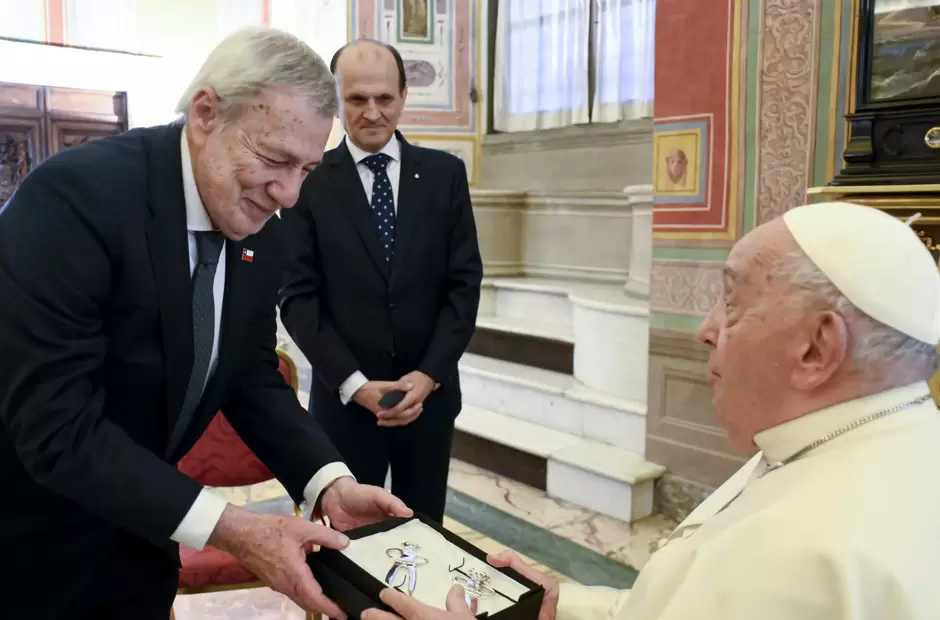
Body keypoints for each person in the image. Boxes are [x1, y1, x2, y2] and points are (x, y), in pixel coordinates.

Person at [0, 27, 412, 620]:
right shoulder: (74, 200)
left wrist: (327, 481)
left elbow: (247, 371)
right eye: (274, 160)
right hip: (31, 544)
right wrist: (232, 528)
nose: (289, 194)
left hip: (140, 542)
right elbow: (57, 428)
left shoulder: (259, 223)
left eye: (307, 169)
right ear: (206, 113)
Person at [360, 201, 940, 620]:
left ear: (816, 348)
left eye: (731, 302)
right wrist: (565, 607)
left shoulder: (813, 550)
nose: (705, 328)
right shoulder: (847, 441)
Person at [279, 38, 483, 523]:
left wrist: (428, 375)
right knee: (346, 549)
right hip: (345, 405)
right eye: (357, 99)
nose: (372, 112)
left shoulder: (445, 176)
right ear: (335, 102)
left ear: (404, 96)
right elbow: (298, 298)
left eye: (385, 98)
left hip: (428, 403)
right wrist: (355, 384)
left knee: (424, 533)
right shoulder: (307, 182)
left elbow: (463, 284)